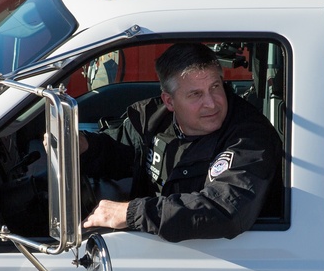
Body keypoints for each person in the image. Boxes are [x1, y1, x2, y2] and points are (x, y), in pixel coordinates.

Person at [78, 42, 283, 242]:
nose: (211, 103)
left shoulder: (249, 138)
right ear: (169, 101)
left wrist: (131, 213)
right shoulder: (152, 118)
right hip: (153, 246)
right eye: (196, 94)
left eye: (215, 87)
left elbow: (223, 210)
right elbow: (120, 151)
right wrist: (85, 146)